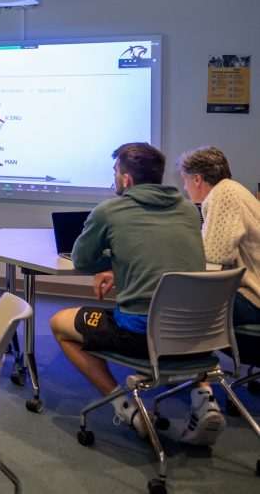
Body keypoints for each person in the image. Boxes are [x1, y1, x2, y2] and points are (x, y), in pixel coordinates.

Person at [49, 143, 206, 441]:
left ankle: (126, 407)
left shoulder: (110, 210)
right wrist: (121, 261)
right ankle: (204, 399)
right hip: (197, 329)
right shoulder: (188, 210)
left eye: (115, 173)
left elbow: (81, 260)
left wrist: (113, 258)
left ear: (126, 180)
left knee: (59, 322)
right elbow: (161, 258)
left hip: (142, 333)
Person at [175, 146, 260, 444]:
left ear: (198, 179)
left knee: (176, 303)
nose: (185, 189)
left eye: (185, 181)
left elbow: (213, 259)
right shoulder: (235, 190)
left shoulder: (222, 196)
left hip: (254, 302)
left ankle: (203, 397)